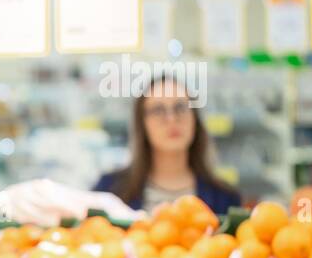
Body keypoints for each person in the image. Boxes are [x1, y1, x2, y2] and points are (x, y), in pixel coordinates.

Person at [94, 75, 242, 214]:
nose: (171, 119)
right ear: (142, 123)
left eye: (181, 108)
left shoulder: (225, 198)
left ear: (195, 119)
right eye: (158, 110)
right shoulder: (109, 190)